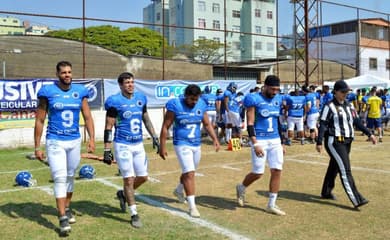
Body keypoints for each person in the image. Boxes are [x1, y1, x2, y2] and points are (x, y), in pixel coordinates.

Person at [34, 60, 95, 235]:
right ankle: (62, 218)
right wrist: (37, 146)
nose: (67, 75)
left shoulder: (80, 91)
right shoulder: (48, 92)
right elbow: (39, 120)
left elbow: (88, 116)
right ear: (57, 74)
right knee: (60, 178)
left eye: (69, 72)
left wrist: (91, 139)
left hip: (74, 140)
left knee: (70, 176)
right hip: (55, 140)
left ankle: (66, 207)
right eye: (63, 72)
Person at [103, 72, 159, 228]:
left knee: (143, 177)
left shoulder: (140, 99)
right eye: (127, 82)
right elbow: (108, 127)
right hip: (122, 144)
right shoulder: (115, 102)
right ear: (120, 85)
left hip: (138, 143)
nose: (130, 85)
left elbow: (146, 118)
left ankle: (123, 193)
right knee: (128, 179)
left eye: (132, 82)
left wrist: (154, 136)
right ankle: (134, 213)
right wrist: (107, 149)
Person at [159, 84, 220, 218]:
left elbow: (207, 124)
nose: (194, 102)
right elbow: (165, 126)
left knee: (189, 172)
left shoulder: (201, 104)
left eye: (196, 99)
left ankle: (179, 190)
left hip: (196, 143)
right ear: (186, 96)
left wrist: (215, 139)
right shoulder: (175, 105)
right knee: (190, 173)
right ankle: (192, 206)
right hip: (181, 143)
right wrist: (162, 146)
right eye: (192, 99)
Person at [316, 80, 377, 209]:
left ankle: (326, 191)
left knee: (335, 166)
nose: (345, 94)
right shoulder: (329, 106)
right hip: (335, 141)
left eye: (347, 92)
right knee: (345, 169)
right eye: (343, 92)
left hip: (348, 141)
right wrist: (319, 141)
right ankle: (357, 199)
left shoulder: (349, 105)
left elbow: (357, 121)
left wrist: (369, 134)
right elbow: (323, 124)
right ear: (336, 92)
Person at [235, 75, 287, 216]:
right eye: (272, 89)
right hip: (260, 139)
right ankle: (241, 187)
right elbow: (250, 123)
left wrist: (282, 142)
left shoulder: (278, 99)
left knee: (277, 170)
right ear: (265, 86)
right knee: (258, 172)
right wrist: (255, 143)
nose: (275, 92)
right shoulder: (254, 99)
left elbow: (278, 121)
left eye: (277, 89)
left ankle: (271, 204)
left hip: (275, 139)